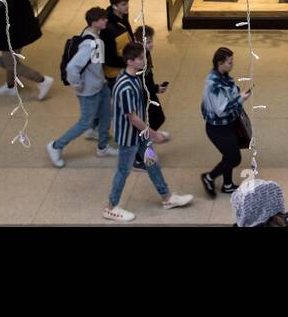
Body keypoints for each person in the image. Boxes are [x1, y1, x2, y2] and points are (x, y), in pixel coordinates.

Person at [104, 42, 193, 222]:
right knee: (123, 170)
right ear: (130, 61)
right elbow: (132, 118)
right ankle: (111, 207)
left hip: (140, 134)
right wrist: (155, 134)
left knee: (152, 162)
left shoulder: (134, 76)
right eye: (141, 59)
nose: (144, 61)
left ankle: (167, 197)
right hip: (130, 137)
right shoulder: (125, 86)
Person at [47, 6, 114, 166]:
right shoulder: (91, 44)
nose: (106, 20)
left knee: (106, 114)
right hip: (89, 90)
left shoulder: (92, 35)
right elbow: (72, 67)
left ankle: (103, 147)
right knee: (85, 122)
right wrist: (77, 84)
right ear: (94, 23)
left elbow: (95, 64)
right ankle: (56, 146)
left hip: (100, 85)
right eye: (102, 19)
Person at [0, 0, 54, 99]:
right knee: (11, 61)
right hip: (19, 32)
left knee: (11, 64)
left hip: (12, 35)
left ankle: (42, 80)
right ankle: (10, 86)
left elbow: (2, 15)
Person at [200, 46, 249, 196]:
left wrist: (238, 93)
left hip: (229, 124)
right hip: (218, 128)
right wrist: (240, 99)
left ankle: (227, 185)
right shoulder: (213, 85)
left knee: (229, 154)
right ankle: (209, 177)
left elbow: (230, 90)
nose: (231, 65)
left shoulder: (222, 75)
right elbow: (221, 111)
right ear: (220, 63)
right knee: (234, 158)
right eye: (229, 62)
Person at [134, 25, 168, 133]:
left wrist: (156, 88)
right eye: (148, 42)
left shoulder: (146, 53)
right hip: (142, 95)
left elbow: (148, 75)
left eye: (151, 41)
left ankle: (147, 143)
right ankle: (146, 145)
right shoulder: (138, 59)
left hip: (149, 92)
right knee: (153, 120)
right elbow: (142, 82)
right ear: (139, 42)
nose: (151, 44)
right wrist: (155, 89)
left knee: (158, 119)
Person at [101, 0, 134, 82]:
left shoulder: (123, 15)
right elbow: (109, 58)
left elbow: (129, 34)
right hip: (116, 75)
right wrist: (129, 63)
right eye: (123, 4)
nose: (127, 6)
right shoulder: (108, 29)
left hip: (126, 66)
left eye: (127, 3)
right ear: (114, 6)